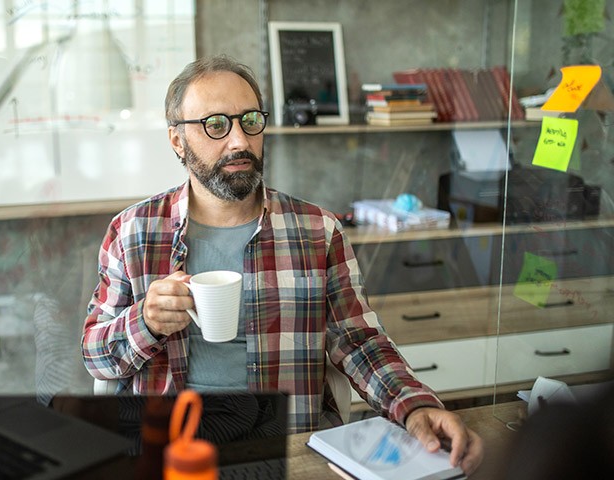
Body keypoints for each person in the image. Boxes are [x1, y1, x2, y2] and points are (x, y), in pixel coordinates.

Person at [81, 55, 483, 475]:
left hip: (289, 452)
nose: (239, 140)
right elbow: (95, 355)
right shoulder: (133, 233)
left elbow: (361, 343)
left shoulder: (317, 231)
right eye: (216, 125)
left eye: (250, 120)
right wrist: (145, 321)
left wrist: (415, 407)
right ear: (177, 141)